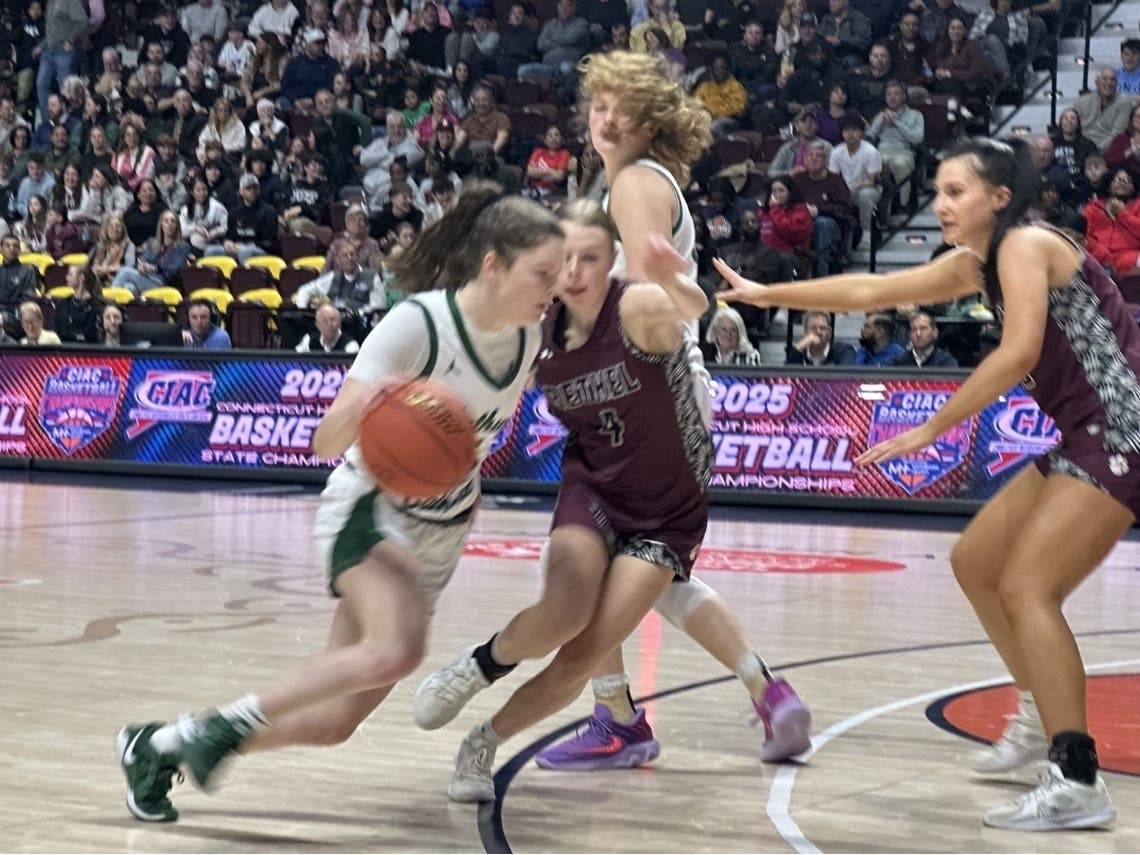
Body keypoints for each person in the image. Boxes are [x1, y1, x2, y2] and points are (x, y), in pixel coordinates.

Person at [414, 51, 812, 776]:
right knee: (652, 574)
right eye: (595, 103)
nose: (603, 118)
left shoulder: (632, 184)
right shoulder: (623, 181)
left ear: (649, 117)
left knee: (620, 570)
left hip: (650, 375)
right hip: (650, 375)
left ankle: (621, 715)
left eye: (619, 106)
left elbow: (653, 291)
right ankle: (756, 688)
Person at [711, 136, 1124, 831]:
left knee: (1028, 587)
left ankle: (1077, 776)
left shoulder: (1025, 245)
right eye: (936, 190)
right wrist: (765, 292)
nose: (940, 204)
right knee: (976, 562)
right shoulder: (982, 263)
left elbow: (1020, 349)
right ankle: (1036, 710)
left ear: (1000, 197)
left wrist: (931, 427)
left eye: (955, 191)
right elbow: (872, 289)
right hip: (1085, 431)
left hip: (1122, 428)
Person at [115, 185, 565, 823]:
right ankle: (214, 731)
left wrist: (467, 491)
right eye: (543, 273)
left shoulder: (524, 341)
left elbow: (472, 440)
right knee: (397, 651)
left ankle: (161, 743)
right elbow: (326, 439)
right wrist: (378, 398)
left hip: (441, 532)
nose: (555, 286)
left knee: (333, 722)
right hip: (371, 511)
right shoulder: (420, 323)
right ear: (493, 264)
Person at [888, 311, 957, 367]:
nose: (918, 334)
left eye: (923, 328)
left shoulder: (946, 362)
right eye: (914, 329)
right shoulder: (898, 363)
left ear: (935, 332)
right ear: (910, 334)